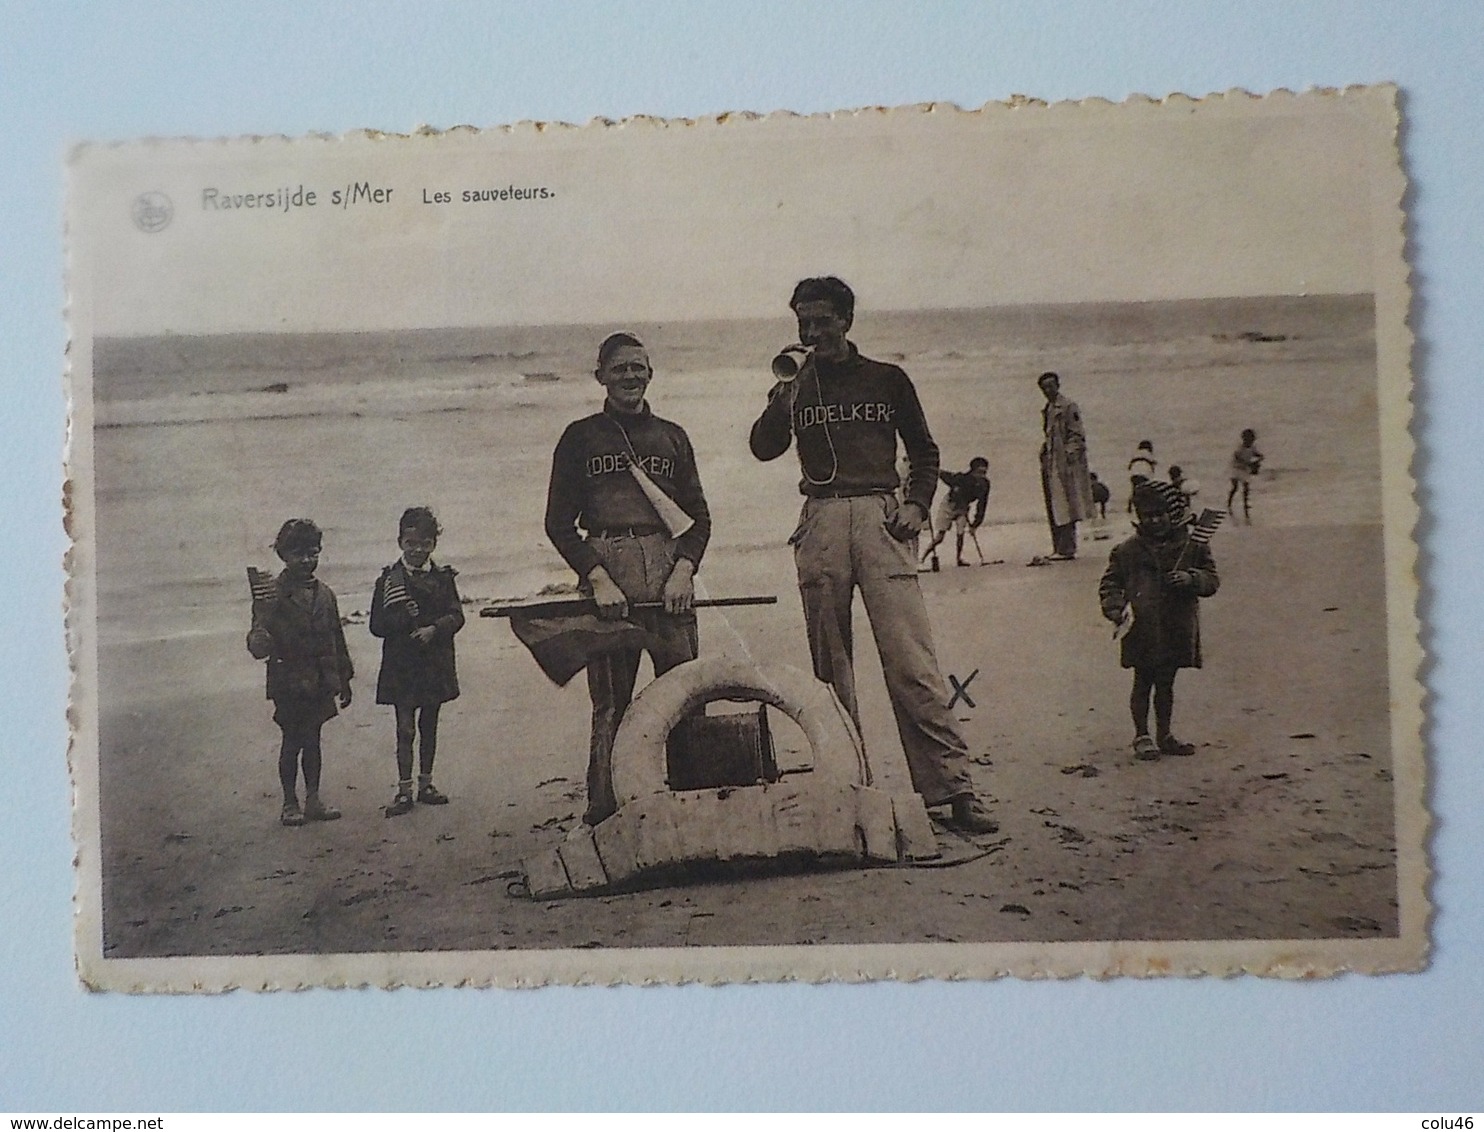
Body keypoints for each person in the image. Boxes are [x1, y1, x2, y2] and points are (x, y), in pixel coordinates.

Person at [749, 276, 997, 834]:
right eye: (802, 321)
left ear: (846, 320)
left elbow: (925, 451)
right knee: (829, 666)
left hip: (882, 518)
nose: (810, 331)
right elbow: (763, 449)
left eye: (821, 320)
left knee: (912, 662)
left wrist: (916, 503)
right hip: (820, 519)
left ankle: (952, 789)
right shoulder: (795, 381)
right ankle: (847, 787)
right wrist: (782, 397)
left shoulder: (887, 378)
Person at [545, 332, 711, 827]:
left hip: (668, 572)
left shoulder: (673, 436)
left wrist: (684, 570)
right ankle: (605, 812)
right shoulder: (580, 437)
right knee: (611, 703)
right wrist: (596, 578)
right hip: (608, 571)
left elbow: (699, 517)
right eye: (619, 368)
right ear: (600, 376)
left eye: (639, 367)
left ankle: (690, 806)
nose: (631, 377)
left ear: (651, 373)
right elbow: (558, 524)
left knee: (684, 693)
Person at [1098, 480, 1219, 761]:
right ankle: (1142, 734)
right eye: (1147, 515)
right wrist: (1114, 608)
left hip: (1176, 625)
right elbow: (1110, 583)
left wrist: (1191, 578)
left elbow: (1212, 580)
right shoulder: (1127, 550)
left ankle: (1164, 734)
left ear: (1173, 513)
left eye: (1159, 514)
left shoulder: (1192, 547)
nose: (1153, 521)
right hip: (1141, 627)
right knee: (1143, 681)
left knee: (1166, 683)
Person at [246, 519, 354, 827]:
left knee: (314, 739)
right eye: (298, 554)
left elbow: (337, 638)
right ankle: (289, 802)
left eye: (312, 552)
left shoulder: (326, 595)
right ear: (282, 555)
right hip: (289, 682)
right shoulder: (271, 595)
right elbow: (257, 646)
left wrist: (344, 678)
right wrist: (262, 622)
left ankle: (314, 798)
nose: (306, 560)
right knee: (292, 740)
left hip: (320, 679)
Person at [370, 507, 466, 818]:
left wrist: (433, 630)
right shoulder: (389, 580)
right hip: (402, 665)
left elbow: (457, 616)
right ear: (400, 542)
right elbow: (376, 626)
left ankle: (426, 784)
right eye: (411, 543)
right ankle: (404, 789)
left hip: (434, 662)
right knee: (405, 728)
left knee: (429, 725)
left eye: (425, 543)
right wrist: (400, 618)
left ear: (434, 544)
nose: (417, 550)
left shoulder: (443, 577)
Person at [1037, 371, 1095, 559]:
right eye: (1044, 387)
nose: (1047, 390)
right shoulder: (1048, 408)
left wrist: (1069, 458)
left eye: (1050, 386)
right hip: (1051, 462)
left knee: (1065, 505)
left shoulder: (1068, 406)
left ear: (1058, 385)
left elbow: (1077, 435)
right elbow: (1050, 436)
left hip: (1065, 465)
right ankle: (1059, 547)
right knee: (1055, 505)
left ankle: (1067, 548)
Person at [921, 457, 990, 568]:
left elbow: (982, 505)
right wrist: (931, 471)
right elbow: (943, 475)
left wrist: (975, 525)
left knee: (960, 533)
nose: (982, 476)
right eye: (980, 472)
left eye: (985, 472)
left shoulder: (985, 484)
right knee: (940, 536)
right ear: (972, 471)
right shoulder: (960, 478)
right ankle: (923, 558)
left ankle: (958, 559)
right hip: (949, 506)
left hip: (963, 508)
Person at [1226, 428, 1264, 523]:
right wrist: (1249, 463)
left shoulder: (1252, 448)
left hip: (1244, 470)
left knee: (1246, 487)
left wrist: (1260, 458)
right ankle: (1229, 503)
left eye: (1252, 439)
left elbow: (1257, 454)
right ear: (1244, 439)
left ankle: (1245, 503)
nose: (1251, 441)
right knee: (1235, 487)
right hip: (1236, 469)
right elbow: (1237, 458)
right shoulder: (1239, 448)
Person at [1126, 439, 1157, 514]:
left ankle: (1129, 507)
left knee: (1134, 490)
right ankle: (1144, 508)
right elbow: (1153, 467)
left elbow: (1129, 467)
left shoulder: (1135, 453)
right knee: (1145, 491)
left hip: (1134, 474)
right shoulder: (1149, 454)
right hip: (1144, 474)